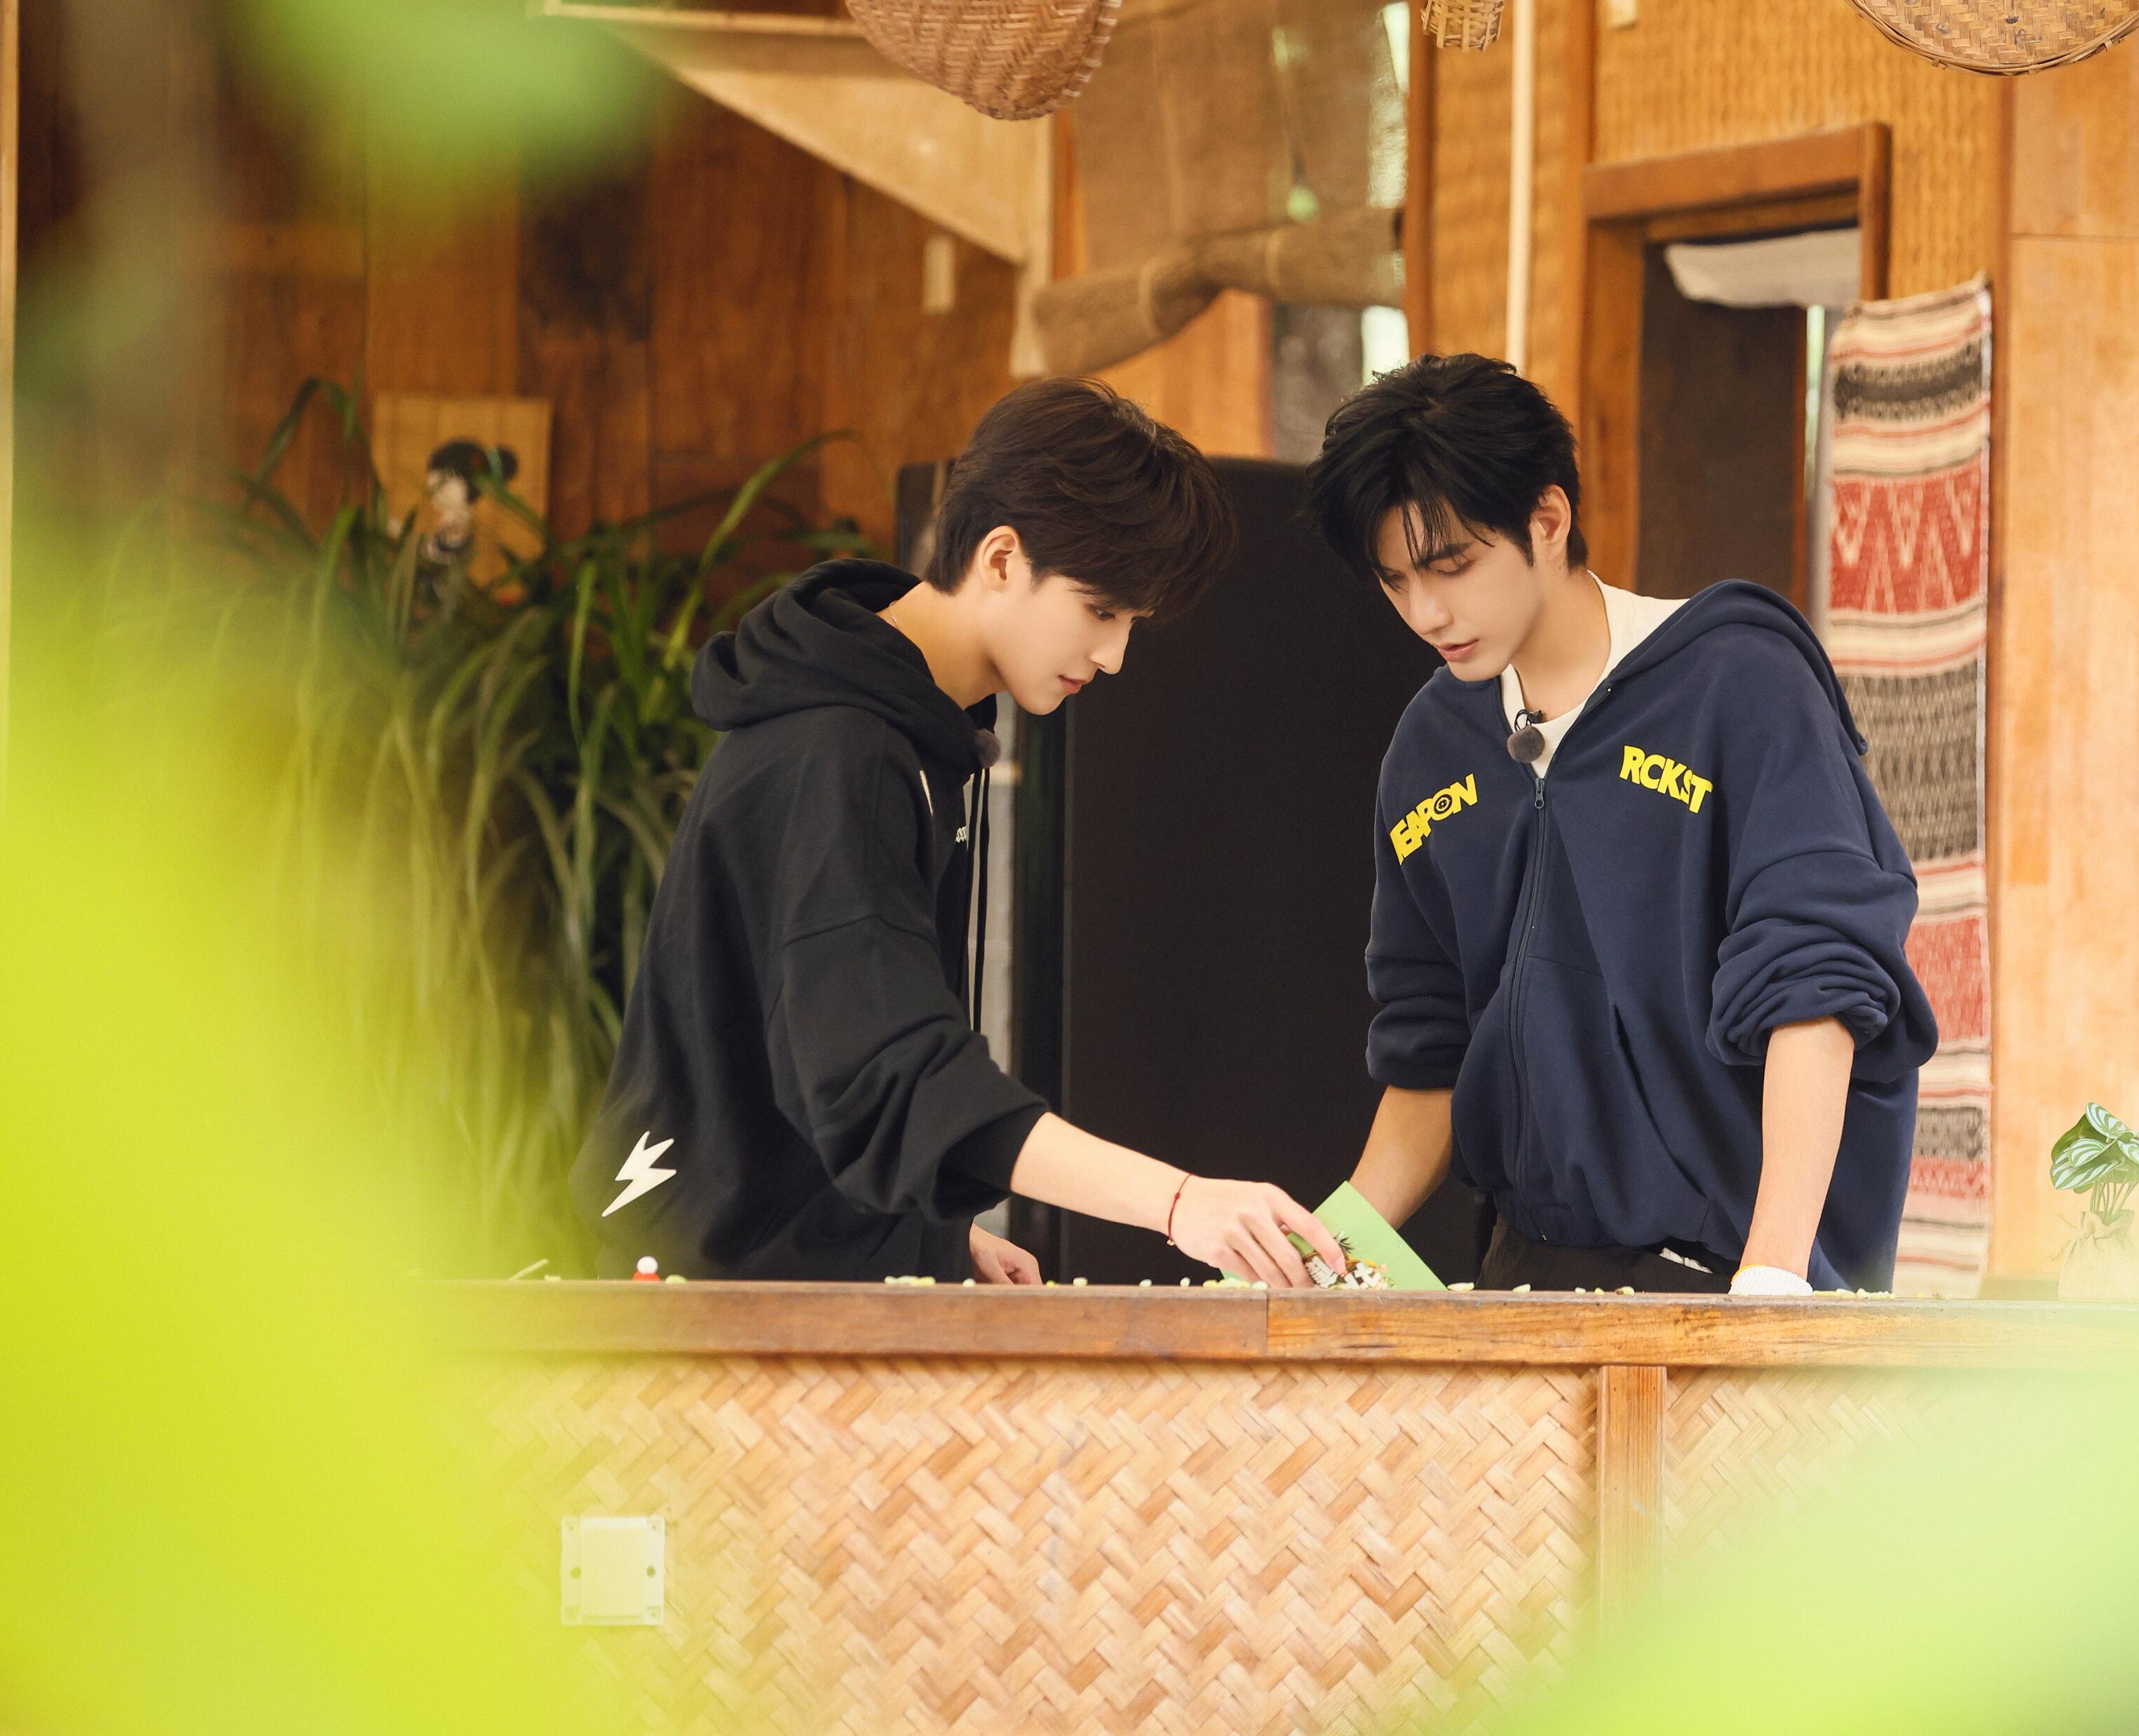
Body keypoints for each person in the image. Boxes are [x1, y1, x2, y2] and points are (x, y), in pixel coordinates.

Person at [570, 379, 1343, 1288]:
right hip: (709, 1311)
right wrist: (1179, 1202)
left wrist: (923, 1238)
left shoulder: (905, 733)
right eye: (1101, 610)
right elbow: (890, 1074)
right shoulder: (841, 755)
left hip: (781, 1281)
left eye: (1134, 622)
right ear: (1003, 558)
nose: (1114, 656)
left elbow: (813, 1050)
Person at [1303, 354, 1936, 1295]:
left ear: (1547, 519)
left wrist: (1772, 1279)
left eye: (1453, 565)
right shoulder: (1432, 746)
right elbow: (1431, 1058)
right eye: (1395, 581)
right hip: (1530, 1276)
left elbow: (1816, 989)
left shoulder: (1738, 682)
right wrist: (1314, 1260)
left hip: (1735, 1277)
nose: (1427, 611)